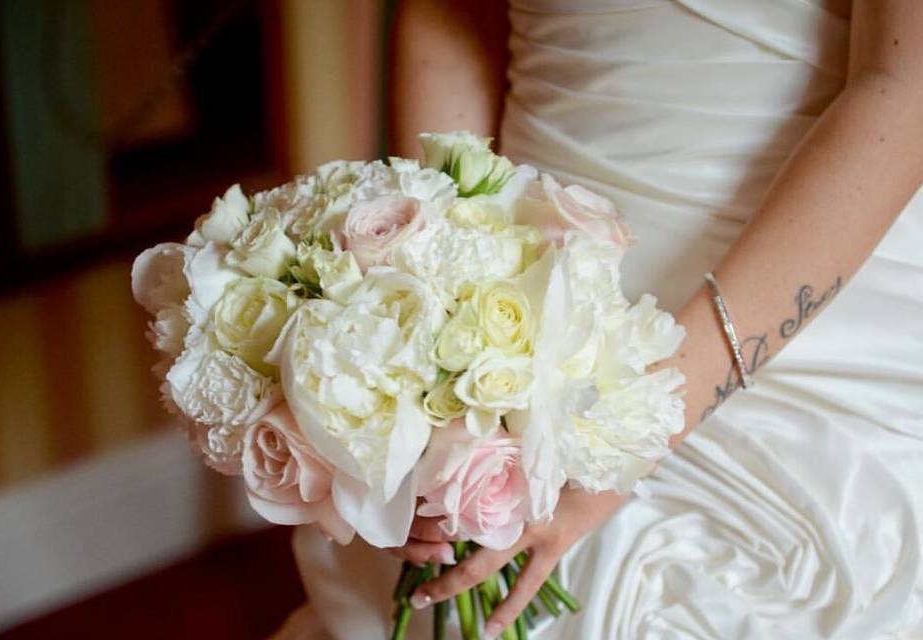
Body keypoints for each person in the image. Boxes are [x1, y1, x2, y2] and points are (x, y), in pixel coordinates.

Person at [280, 1, 923, 637]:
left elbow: (905, 89)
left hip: (803, 302)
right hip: (520, 283)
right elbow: (454, 14)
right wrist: (434, 307)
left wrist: (628, 435)